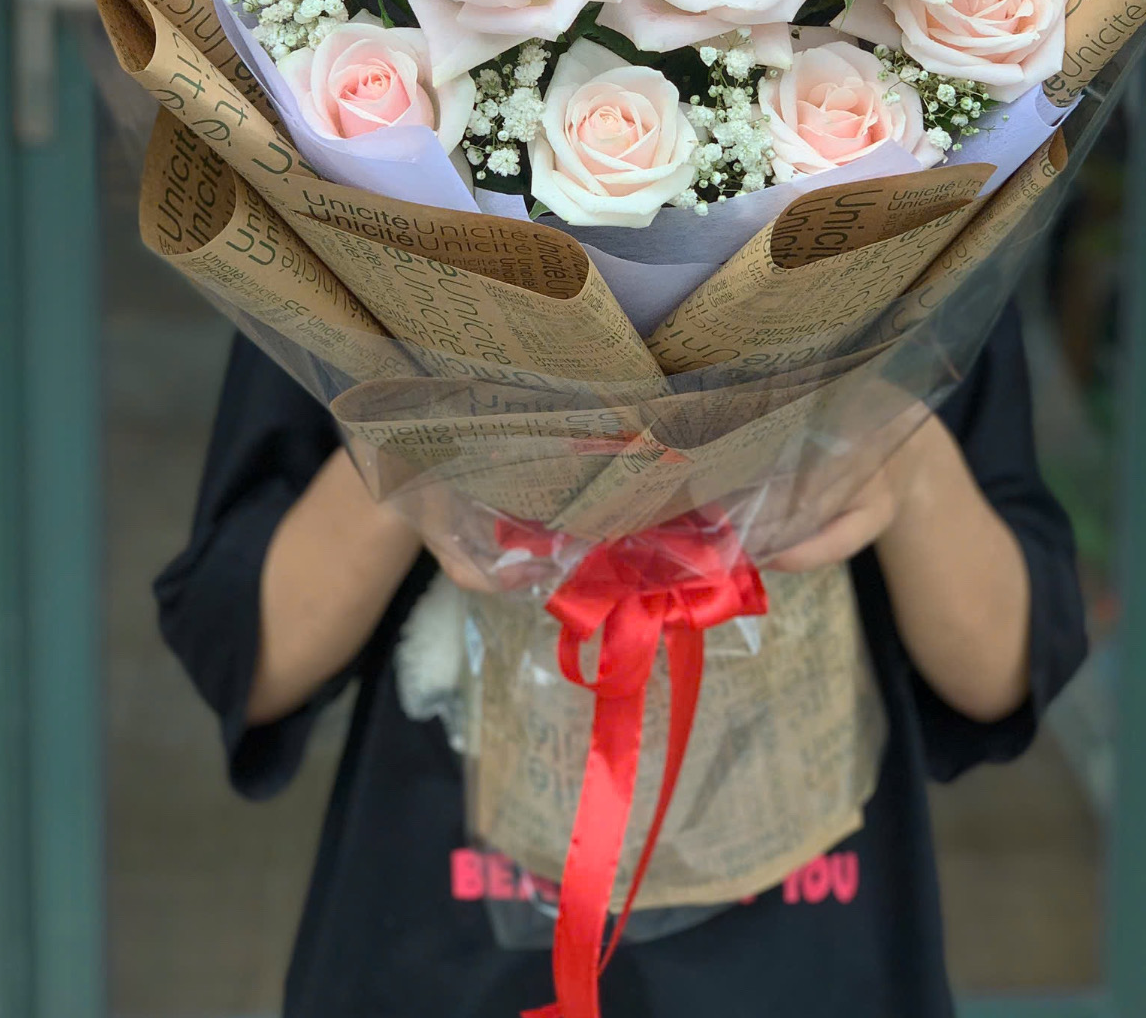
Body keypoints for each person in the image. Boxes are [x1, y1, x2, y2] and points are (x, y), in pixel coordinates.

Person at [156, 304, 1085, 1018]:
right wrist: (408, 444)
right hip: (446, 937)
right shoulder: (369, 174)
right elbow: (248, 656)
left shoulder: (920, 180)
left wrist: (902, 450)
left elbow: (1003, 668)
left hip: (810, 945)